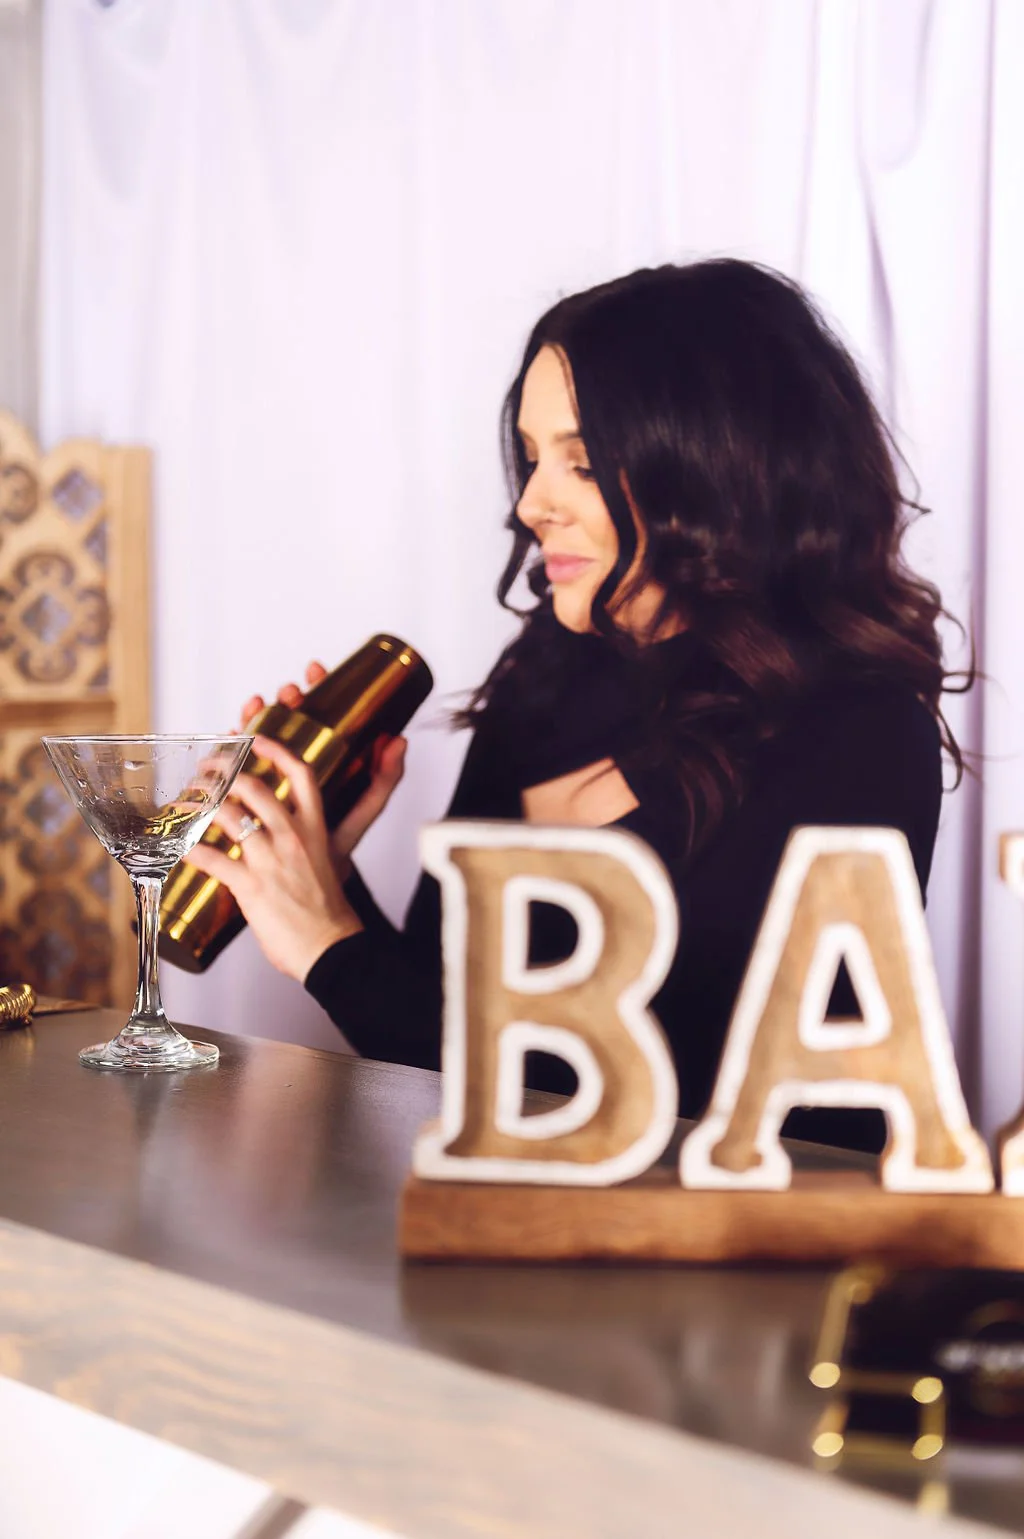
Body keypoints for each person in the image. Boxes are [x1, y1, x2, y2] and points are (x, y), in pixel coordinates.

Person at [188, 260, 969, 1154]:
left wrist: (331, 945)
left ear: (721, 469)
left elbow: (652, 1103)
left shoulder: (857, 726)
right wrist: (318, 868)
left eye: (583, 463)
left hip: (754, 1259)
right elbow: (447, 1024)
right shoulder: (549, 673)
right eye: (530, 457)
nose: (529, 504)